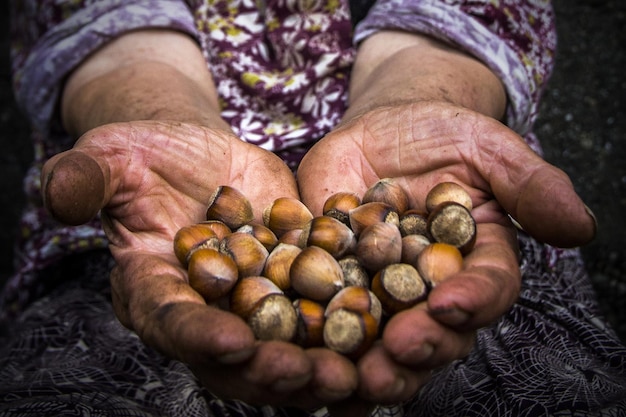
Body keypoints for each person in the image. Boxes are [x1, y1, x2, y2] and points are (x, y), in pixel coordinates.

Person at [1, 0, 625, 415]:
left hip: (408, 166)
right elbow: (100, 24)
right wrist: (156, 120)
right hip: (162, 208)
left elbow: (473, 16)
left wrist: (419, 94)